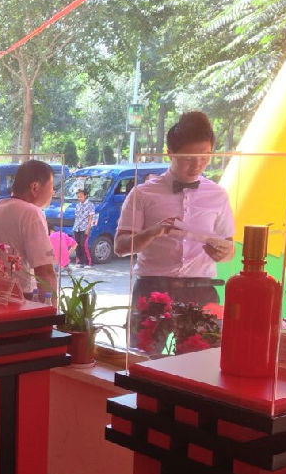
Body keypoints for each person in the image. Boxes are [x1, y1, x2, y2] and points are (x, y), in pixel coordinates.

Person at [115, 110, 235, 318]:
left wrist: (224, 253)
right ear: (169, 153)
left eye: (205, 156)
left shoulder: (218, 195)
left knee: (204, 341)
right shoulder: (143, 193)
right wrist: (152, 232)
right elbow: (120, 247)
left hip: (201, 289)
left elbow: (229, 248)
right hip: (153, 288)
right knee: (144, 341)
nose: (198, 164)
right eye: (188, 158)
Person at [0, 159, 57, 300]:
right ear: (35, 187)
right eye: (52, 186)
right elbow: (45, 271)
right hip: (23, 298)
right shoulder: (32, 213)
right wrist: (52, 309)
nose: (53, 192)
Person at [72, 189, 94, 267]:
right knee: (77, 245)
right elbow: (76, 217)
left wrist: (88, 228)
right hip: (76, 227)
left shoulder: (90, 205)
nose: (79, 198)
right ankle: (80, 262)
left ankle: (88, 262)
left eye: (81, 196)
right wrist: (74, 227)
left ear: (85, 196)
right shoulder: (78, 205)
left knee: (83, 245)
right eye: (78, 197)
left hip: (84, 227)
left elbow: (91, 217)